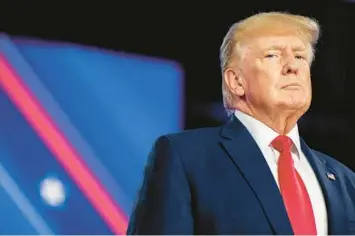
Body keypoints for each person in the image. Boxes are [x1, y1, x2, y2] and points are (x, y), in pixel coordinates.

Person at [126, 11, 355, 235]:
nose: (292, 66)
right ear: (236, 81)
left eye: (300, 56)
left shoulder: (344, 180)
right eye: (273, 55)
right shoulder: (186, 158)